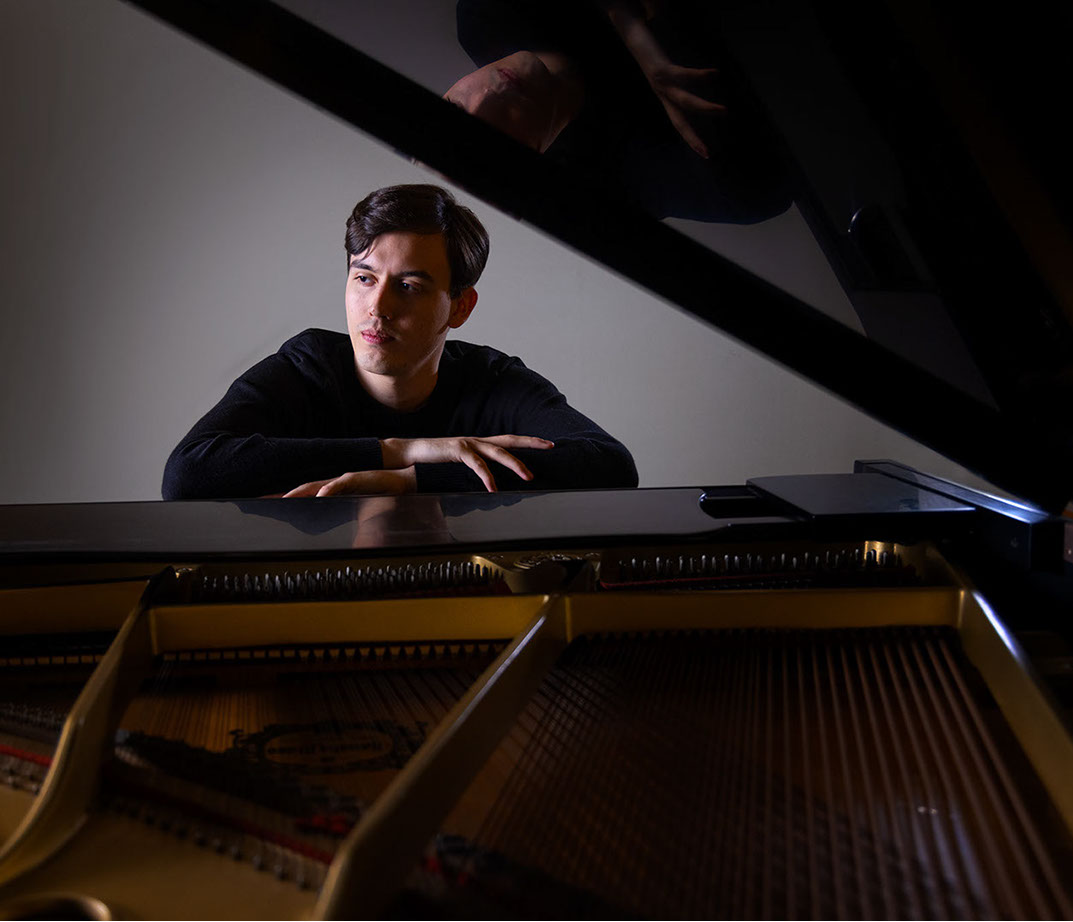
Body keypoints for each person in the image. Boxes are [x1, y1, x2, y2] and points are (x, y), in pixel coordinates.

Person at [162, 184, 637, 500]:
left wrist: (407, 481)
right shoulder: (307, 366)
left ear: (460, 307)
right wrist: (402, 450)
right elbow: (188, 473)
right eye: (364, 278)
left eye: (408, 286)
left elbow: (610, 466)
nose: (378, 307)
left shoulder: (492, 380)